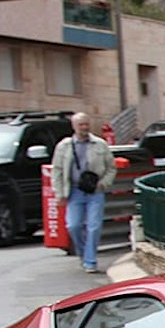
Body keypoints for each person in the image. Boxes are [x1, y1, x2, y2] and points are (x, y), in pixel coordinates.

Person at [50, 112, 116, 274]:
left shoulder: (99, 144)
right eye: (81, 125)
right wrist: (59, 194)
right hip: (73, 190)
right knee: (73, 225)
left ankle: (90, 260)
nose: (84, 128)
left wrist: (103, 184)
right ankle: (83, 253)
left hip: (95, 190)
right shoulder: (64, 146)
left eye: (87, 124)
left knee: (94, 226)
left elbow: (111, 167)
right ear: (74, 126)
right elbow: (57, 171)